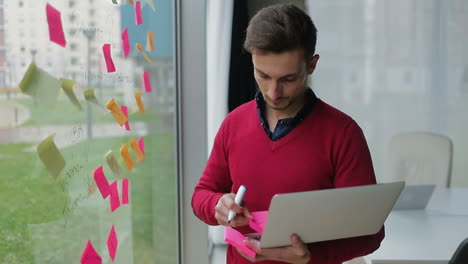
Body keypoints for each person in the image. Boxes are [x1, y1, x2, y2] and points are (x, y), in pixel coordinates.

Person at [192, 4, 384, 264]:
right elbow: (202, 194)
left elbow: (370, 232)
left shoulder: (343, 134)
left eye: (288, 79)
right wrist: (217, 204)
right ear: (252, 61)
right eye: (263, 75)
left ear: (312, 65)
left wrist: (312, 256)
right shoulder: (233, 123)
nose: (273, 92)